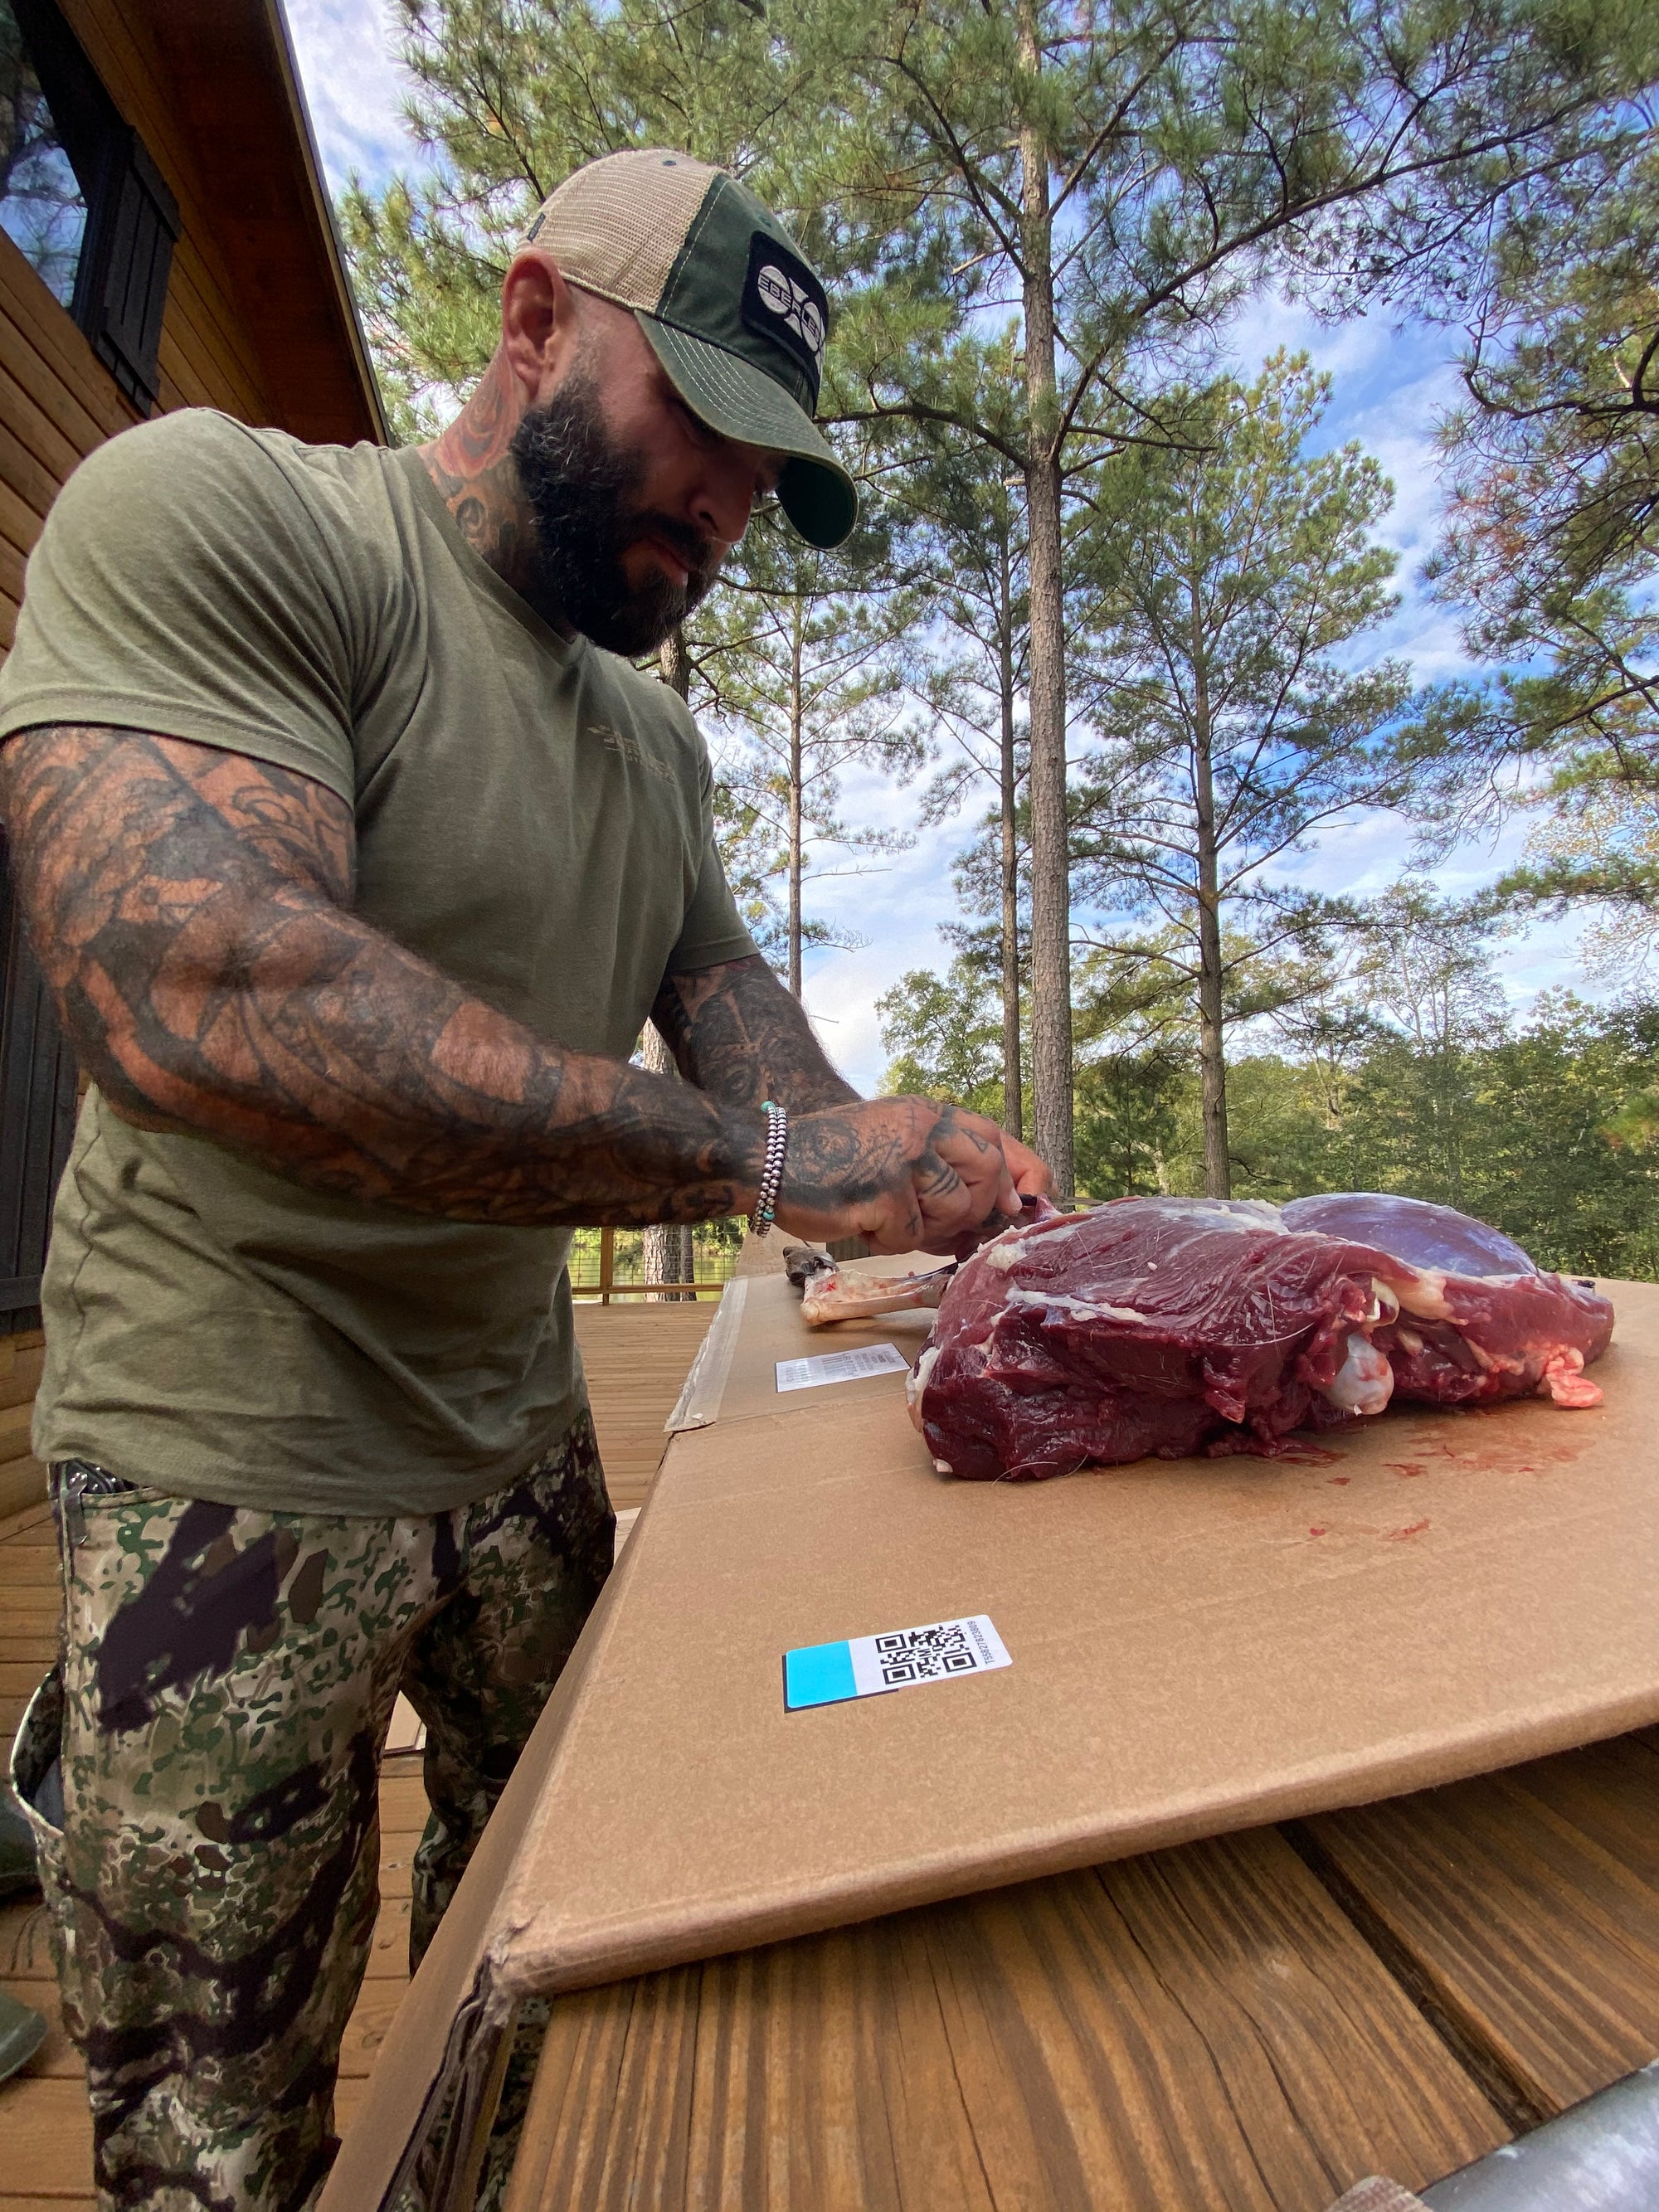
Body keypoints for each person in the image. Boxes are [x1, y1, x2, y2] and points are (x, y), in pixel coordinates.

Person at [0, 148, 1048, 2210]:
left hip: (517, 1441)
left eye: (775, 480)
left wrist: (890, 1180)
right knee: (213, 2132)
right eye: (709, 432)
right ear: (536, 314)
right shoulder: (233, 516)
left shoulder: (653, 749)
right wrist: (763, 1156)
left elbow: (738, 1019)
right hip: (232, 1453)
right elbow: (199, 989)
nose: (733, 507)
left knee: (545, 1991)